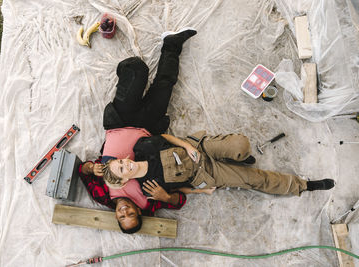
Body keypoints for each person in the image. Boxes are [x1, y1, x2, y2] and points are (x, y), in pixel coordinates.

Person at [79, 28, 213, 234]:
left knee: (136, 68)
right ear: (139, 213)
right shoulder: (146, 202)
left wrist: (91, 169)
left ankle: (126, 77)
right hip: (149, 128)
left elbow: (82, 170)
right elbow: (179, 198)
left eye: (121, 217)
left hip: (120, 122)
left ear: (115, 217)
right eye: (130, 215)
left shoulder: (102, 195)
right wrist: (166, 197)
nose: (125, 211)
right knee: (165, 85)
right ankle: (172, 43)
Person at [102, 131, 336, 232]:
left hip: (199, 149)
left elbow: (165, 137)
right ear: (124, 180)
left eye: (121, 163)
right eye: (122, 171)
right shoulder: (147, 189)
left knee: (241, 145)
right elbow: (180, 191)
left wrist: (187, 146)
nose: (126, 166)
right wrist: (200, 193)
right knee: (253, 180)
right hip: (204, 174)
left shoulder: (141, 148)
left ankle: (240, 157)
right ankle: (304, 185)